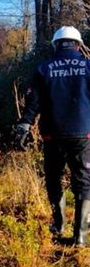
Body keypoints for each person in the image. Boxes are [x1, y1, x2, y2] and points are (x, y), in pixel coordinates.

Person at [14, 26, 90, 247]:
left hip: (51, 134)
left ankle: (59, 225)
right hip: (83, 134)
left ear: (56, 45)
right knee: (85, 181)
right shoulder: (88, 66)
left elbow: (33, 102)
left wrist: (24, 126)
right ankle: (81, 237)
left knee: (54, 178)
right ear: (78, 44)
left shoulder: (44, 68)